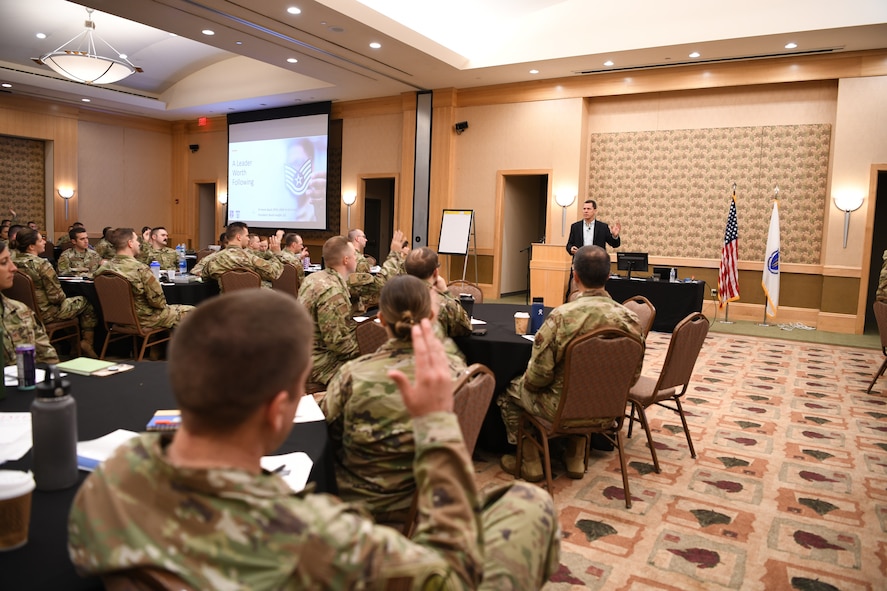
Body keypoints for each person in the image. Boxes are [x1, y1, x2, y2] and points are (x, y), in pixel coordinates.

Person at [68, 289, 560, 589]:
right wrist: (437, 427)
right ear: (280, 407)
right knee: (527, 506)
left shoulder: (111, 479)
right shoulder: (322, 537)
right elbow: (449, 575)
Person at [322, 275, 468, 525]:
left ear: (380, 320)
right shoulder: (453, 371)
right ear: (432, 319)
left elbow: (327, 429)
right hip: (431, 500)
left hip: (362, 504)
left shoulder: (352, 374)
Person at [498, 245, 644, 481]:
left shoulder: (561, 317)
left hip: (559, 410)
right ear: (608, 276)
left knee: (510, 391)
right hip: (608, 411)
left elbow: (537, 378)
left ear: (575, 277)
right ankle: (575, 457)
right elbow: (633, 377)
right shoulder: (631, 319)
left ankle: (531, 460)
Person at [300, 233, 405, 386]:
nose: (357, 258)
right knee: (381, 376)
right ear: (346, 260)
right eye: (354, 255)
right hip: (321, 365)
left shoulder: (314, 278)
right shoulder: (332, 292)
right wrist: (375, 347)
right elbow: (339, 345)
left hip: (305, 354)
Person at [12, 228, 99, 358]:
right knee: (86, 301)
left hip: (22, 312)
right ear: (31, 246)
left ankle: (74, 347)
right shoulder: (42, 265)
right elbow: (57, 298)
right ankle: (86, 343)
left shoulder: (11, 262)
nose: (44, 242)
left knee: (71, 307)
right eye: (41, 240)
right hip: (46, 313)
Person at [95, 228, 194, 330]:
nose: (139, 243)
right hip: (144, 319)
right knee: (193, 312)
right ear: (130, 243)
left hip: (115, 319)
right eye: (137, 240)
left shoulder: (103, 269)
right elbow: (158, 302)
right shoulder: (140, 269)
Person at [0, 240, 59, 365]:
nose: (13, 268)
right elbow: (57, 296)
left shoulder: (21, 311)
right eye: (4, 262)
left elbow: (48, 358)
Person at [405, 246, 471, 338]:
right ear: (436, 272)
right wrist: (446, 292)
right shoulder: (445, 304)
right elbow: (466, 328)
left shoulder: (392, 297)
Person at [197, 222, 283, 288]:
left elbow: (203, 276)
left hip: (226, 304)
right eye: (247, 236)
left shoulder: (214, 259)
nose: (248, 239)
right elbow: (275, 273)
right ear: (239, 237)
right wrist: (277, 253)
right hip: (253, 303)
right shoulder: (250, 258)